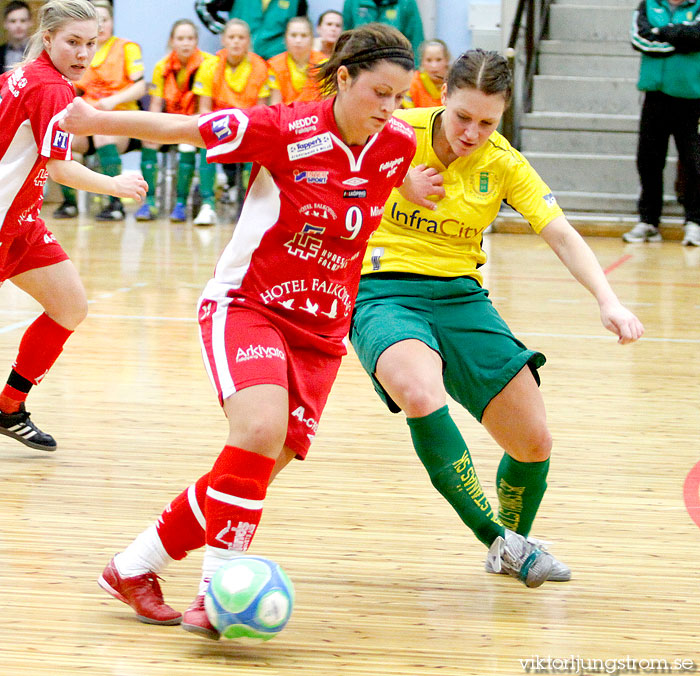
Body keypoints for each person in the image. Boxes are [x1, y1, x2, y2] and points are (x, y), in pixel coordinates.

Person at [62, 23, 440, 639]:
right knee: (259, 429)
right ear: (343, 78)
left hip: (322, 333)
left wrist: (414, 186)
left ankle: (133, 567)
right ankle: (218, 591)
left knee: (255, 465)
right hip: (249, 305)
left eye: (400, 98)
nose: (391, 110)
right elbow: (186, 129)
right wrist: (93, 119)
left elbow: (377, 173)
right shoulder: (284, 128)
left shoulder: (395, 144)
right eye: (380, 94)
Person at [349, 49, 645, 589]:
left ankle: (512, 544)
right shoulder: (392, 130)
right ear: (442, 98)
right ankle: (500, 541)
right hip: (380, 292)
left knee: (534, 442)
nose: (471, 132)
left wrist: (608, 299)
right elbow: (322, 169)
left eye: (487, 122)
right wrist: (394, 182)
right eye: (463, 116)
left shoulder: (504, 161)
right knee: (420, 391)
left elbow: (558, 230)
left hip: (463, 297)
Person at [0, 0, 147, 452]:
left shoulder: (20, 75)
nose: (83, 53)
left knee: (69, 306)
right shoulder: (50, 89)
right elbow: (61, 168)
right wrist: (115, 183)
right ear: (48, 39)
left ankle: (8, 408)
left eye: (91, 43)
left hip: (21, 223)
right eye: (73, 43)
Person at [53, 0, 146, 221]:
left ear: (113, 22)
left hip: (120, 119)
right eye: (97, 21)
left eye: (105, 20)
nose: (102, 25)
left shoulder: (127, 47)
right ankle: (69, 203)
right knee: (62, 139)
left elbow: (141, 86)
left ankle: (115, 204)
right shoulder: (82, 51)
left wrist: (113, 101)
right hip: (89, 120)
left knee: (104, 136)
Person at [624, 0, 700, 246]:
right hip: (655, 96)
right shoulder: (648, 5)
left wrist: (663, 32)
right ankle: (648, 221)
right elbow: (639, 39)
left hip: (692, 96)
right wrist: (682, 41)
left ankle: (694, 222)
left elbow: (697, 36)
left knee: (694, 161)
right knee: (648, 160)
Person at [135, 19, 215, 224]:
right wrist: (151, 132)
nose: (185, 43)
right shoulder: (162, 66)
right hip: (172, 122)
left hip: (198, 123)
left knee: (187, 147)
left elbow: (206, 107)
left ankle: (181, 203)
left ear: (196, 41)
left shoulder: (209, 63)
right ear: (172, 41)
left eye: (190, 38)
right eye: (180, 38)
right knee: (148, 141)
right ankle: (149, 202)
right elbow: (155, 106)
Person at [192, 18, 270, 212]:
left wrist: (243, 130)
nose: (236, 41)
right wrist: (220, 129)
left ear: (248, 41)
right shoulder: (209, 66)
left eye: (241, 37)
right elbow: (204, 109)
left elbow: (261, 111)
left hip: (249, 128)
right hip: (218, 126)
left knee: (261, 146)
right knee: (204, 146)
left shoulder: (260, 67)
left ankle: (250, 203)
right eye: (231, 37)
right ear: (223, 40)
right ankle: (207, 204)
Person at [194, 0, 308, 60]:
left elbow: (301, 29)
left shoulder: (296, 1)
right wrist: (226, 31)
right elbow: (202, 6)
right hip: (240, 60)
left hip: (277, 63)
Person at [342, 0, 424, 65]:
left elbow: (416, 38)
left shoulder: (406, 2)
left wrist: (415, 69)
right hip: (360, 65)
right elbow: (345, 39)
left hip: (395, 66)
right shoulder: (352, 2)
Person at [267, 16, 325, 105]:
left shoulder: (324, 63)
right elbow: (275, 104)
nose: (298, 40)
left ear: (312, 39)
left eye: (304, 35)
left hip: (315, 117)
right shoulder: (274, 65)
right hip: (285, 117)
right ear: (285, 38)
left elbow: (327, 104)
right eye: (293, 35)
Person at [403, 39, 450, 108]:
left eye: (439, 60)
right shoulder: (412, 83)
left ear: (447, 60)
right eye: (429, 60)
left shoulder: (455, 83)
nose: (434, 66)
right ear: (422, 62)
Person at [0, 1, 32, 73]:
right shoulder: (1, 53)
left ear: (30, 22)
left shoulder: (40, 52)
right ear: (5, 23)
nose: (18, 25)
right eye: (13, 21)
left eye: (23, 20)